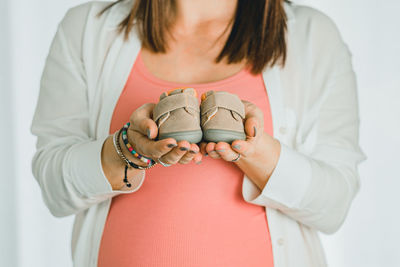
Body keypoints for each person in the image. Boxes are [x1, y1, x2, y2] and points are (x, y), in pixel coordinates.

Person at [30, 0, 367, 266]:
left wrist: (254, 150)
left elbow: (333, 205)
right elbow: (54, 186)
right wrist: (130, 148)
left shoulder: (312, 36)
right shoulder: (87, 29)